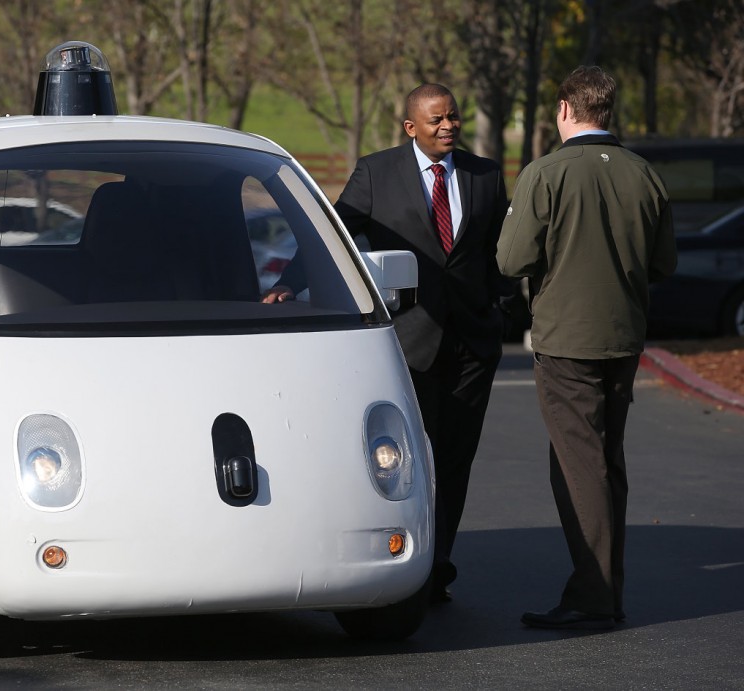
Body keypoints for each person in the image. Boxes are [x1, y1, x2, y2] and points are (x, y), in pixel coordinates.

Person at [264, 84, 510, 604]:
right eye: (437, 119)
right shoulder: (377, 173)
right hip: (412, 343)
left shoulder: (485, 176)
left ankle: (438, 564)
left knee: (456, 459)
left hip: (473, 344)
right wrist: (291, 282)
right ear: (411, 127)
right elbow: (333, 234)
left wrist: (505, 312)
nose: (449, 126)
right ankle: (412, 566)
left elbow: (498, 255)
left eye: (454, 118)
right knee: (412, 463)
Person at [497, 66, 677, 630]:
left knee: (580, 466)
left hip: (566, 339)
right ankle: (605, 589)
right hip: (623, 335)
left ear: (564, 110)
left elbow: (510, 260)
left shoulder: (545, 173)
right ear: (607, 110)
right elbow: (664, 263)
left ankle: (593, 596)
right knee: (604, 461)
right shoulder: (643, 173)